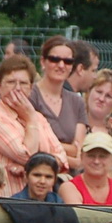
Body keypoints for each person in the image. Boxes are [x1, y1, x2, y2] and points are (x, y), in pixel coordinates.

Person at [0, 54, 67, 195]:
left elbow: (61, 157)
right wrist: (31, 120)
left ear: (31, 88)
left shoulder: (38, 117)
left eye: (23, 83)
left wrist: (30, 167)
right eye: (11, 82)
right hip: (8, 198)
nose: (17, 88)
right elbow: (26, 156)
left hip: (39, 201)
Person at [32, 35, 88, 163]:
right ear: (43, 62)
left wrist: (48, 146)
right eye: (54, 59)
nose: (61, 65)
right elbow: (32, 143)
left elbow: (78, 152)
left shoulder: (77, 101)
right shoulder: (31, 95)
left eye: (67, 61)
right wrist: (68, 150)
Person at [62, 131, 112, 206]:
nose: (96, 161)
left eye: (103, 156)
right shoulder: (69, 188)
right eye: (91, 155)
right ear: (82, 157)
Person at [82, 68, 112, 138]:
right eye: (99, 92)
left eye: (108, 96)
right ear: (88, 92)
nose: (101, 99)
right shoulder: (74, 123)